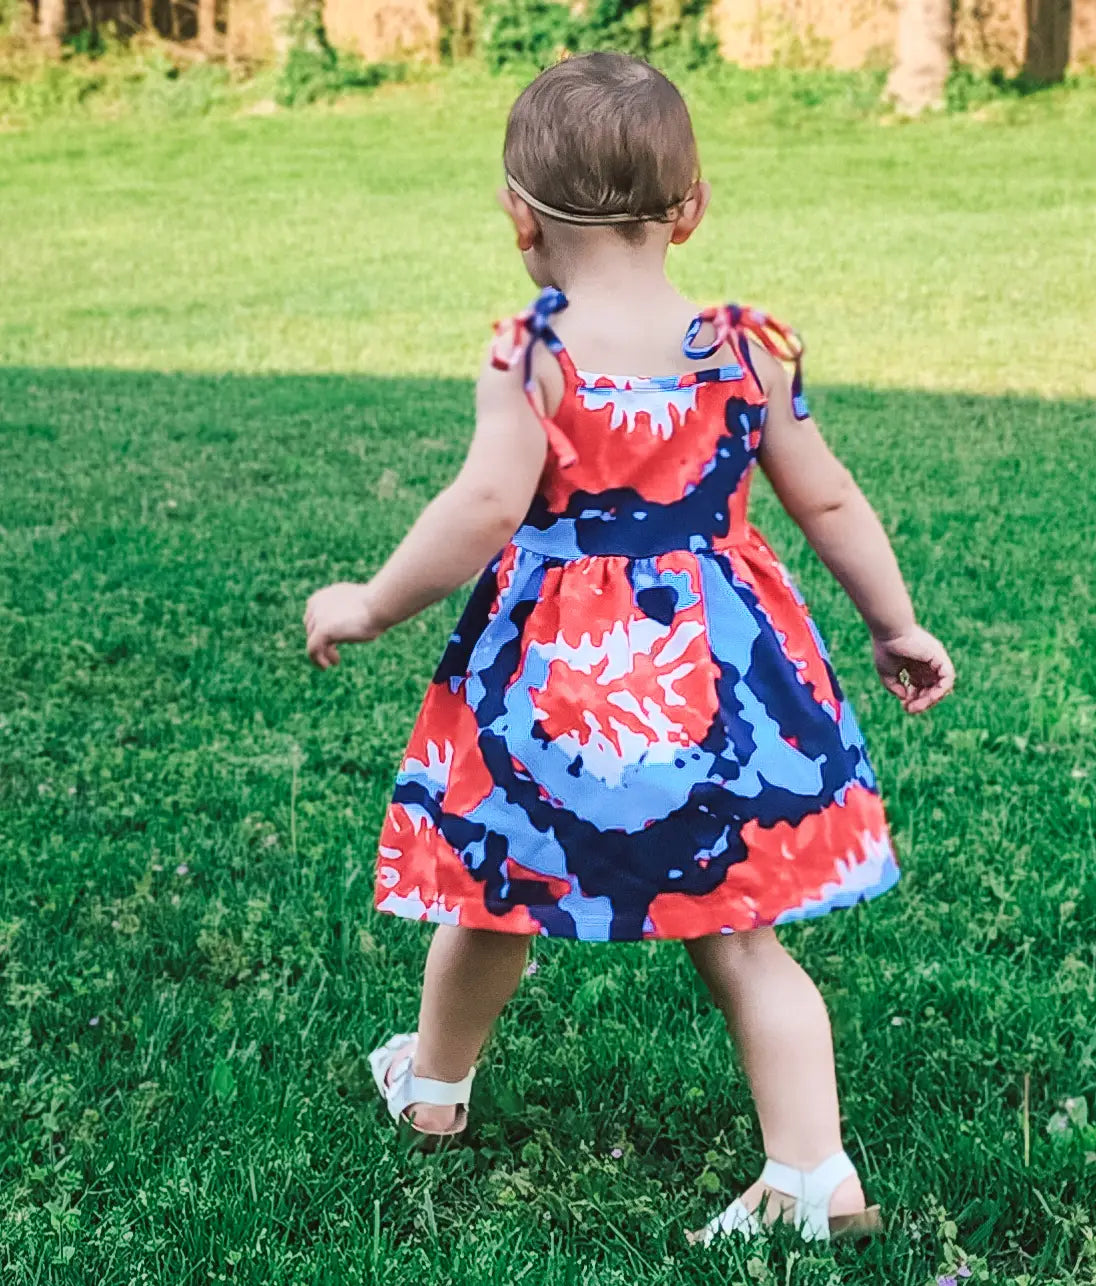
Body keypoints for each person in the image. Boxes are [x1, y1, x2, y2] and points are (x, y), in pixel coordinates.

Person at [304, 50, 954, 1245]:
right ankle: (813, 1170)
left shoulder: (530, 353)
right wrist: (892, 620)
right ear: (690, 208)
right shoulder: (746, 348)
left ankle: (435, 1091)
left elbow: (484, 510)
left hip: (558, 690)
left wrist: (369, 602)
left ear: (516, 215)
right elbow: (828, 504)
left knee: (493, 884)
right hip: (716, 683)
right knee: (740, 931)